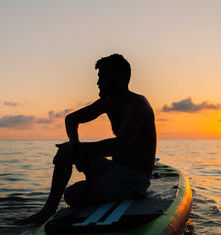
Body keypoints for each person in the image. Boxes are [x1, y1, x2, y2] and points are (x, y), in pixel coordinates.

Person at [22, 54, 157, 223]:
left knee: (72, 195)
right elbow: (71, 119)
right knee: (66, 152)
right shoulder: (107, 102)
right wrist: (74, 144)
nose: (98, 82)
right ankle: (47, 211)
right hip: (113, 168)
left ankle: (100, 190)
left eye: (103, 76)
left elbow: (120, 144)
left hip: (133, 180)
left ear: (120, 78)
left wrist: (79, 149)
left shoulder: (137, 104)